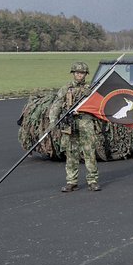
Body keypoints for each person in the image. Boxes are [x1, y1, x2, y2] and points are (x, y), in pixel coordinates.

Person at [50, 61, 100, 192]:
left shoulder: (91, 89)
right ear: (73, 73)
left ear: (86, 74)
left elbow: (98, 106)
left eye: (82, 73)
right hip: (70, 123)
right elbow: (57, 104)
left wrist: (91, 95)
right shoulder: (66, 88)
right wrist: (52, 120)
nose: (79, 75)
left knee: (89, 152)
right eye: (77, 73)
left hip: (86, 122)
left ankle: (92, 180)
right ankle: (72, 181)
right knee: (71, 152)